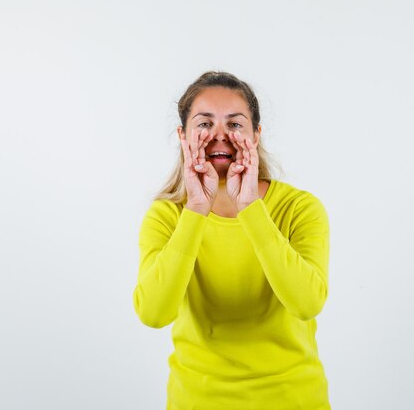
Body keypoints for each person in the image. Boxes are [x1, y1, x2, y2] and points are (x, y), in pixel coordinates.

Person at [133, 71, 331, 410]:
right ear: (183, 135)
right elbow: (153, 313)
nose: (219, 137)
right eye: (205, 124)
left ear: (256, 135)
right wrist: (195, 209)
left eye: (235, 125)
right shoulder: (166, 217)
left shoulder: (300, 209)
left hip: (293, 399)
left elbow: (307, 304)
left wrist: (251, 208)